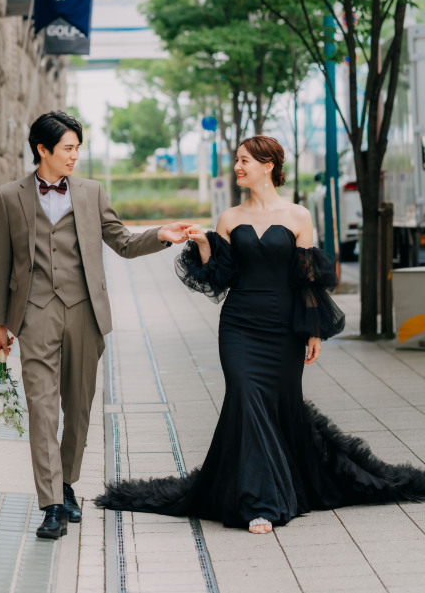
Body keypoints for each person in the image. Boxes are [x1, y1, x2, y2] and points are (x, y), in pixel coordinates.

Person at [96, 134, 425, 532]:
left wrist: (313, 331)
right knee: (246, 396)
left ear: (268, 165)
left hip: (283, 329)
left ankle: (280, 481)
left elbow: (308, 282)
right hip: (239, 326)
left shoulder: (299, 217)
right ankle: (260, 502)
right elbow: (219, 278)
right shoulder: (229, 218)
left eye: (245, 160)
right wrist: (204, 244)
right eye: (236, 160)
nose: (238, 167)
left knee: (280, 404)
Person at [0, 110, 192, 540]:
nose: (75, 156)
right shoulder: (10, 196)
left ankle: (66, 483)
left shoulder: (91, 193)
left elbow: (121, 241)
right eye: (68, 148)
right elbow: (1, 264)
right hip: (35, 314)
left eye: (78, 148)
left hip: (84, 311)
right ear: (43, 150)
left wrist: (161, 235)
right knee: (42, 410)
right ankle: (50, 504)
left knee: (77, 409)